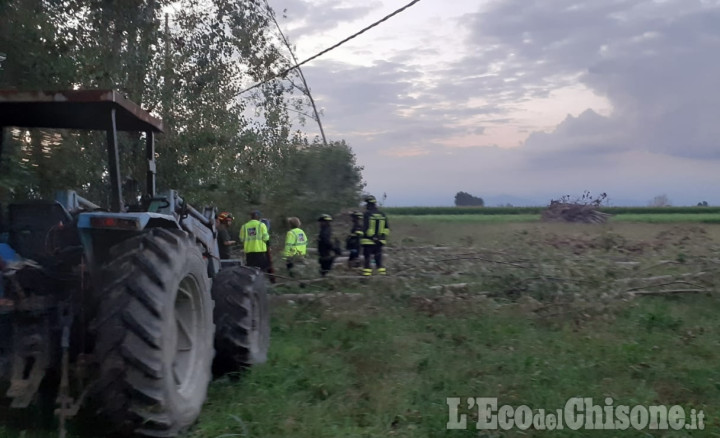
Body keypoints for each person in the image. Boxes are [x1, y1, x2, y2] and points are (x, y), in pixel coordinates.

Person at [360, 195, 390, 276]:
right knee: (378, 260)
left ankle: (366, 277)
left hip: (368, 241)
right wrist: (380, 237)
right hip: (380, 241)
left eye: (366, 204)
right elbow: (386, 228)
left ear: (369, 204)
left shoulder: (367, 214)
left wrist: (372, 237)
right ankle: (382, 276)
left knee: (367, 259)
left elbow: (365, 228)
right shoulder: (382, 214)